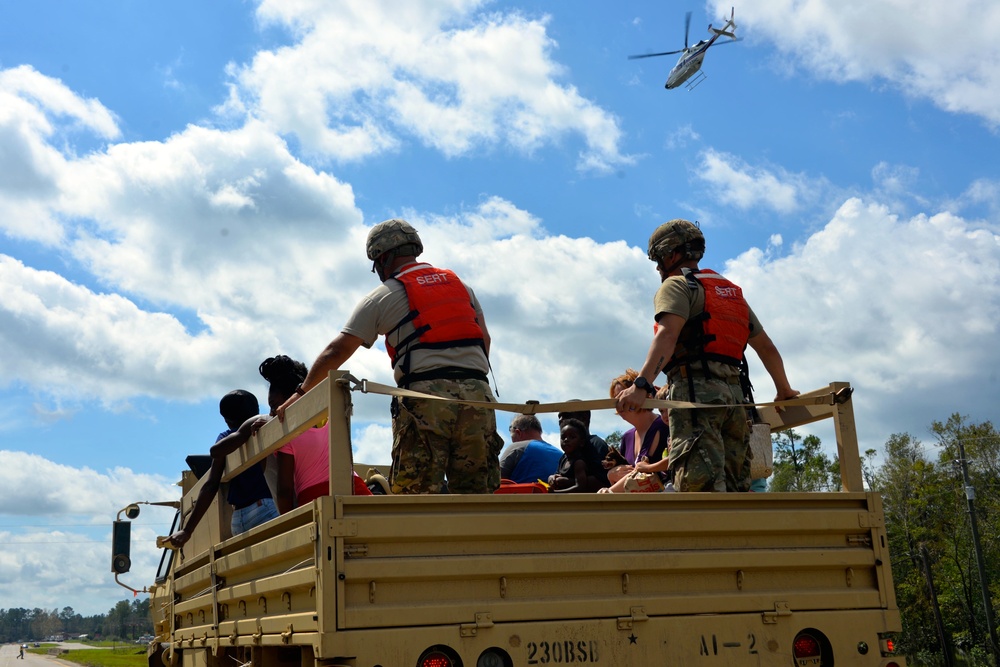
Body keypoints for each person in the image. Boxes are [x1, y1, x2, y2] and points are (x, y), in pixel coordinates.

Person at [276, 219, 503, 494]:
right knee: (477, 494)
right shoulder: (461, 287)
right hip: (478, 395)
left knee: (416, 497)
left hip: (424, 398)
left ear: (383, 258)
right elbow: (484, 339)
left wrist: (299, 395)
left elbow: (337, 351)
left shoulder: (383, 295)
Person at [616, 219, 798, 493]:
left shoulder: (676, 286)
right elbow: (766, 347)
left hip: (695, 399)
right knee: (735, 483)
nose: (657, 267)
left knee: (696, 485)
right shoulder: (731, 294)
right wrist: (784, 389)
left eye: (658, 259)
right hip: (736, 399)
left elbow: (667, 336)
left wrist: (641, 385)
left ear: (671, 254)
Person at [260, 355, 372, 511]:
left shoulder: (286, 434)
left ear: (290, 400)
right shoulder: (329, 414)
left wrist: (289, 528)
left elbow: (285, 491)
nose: (272, 413)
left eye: (274, 405)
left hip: (314, 501)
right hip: (358, 491)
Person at [167, 390, 277, 548]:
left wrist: (187, 530)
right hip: (262, 507)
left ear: (226, 419)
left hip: (238, 518)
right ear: (256, 410)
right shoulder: (265, 425)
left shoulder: (225, 438)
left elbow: (211, 484)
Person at [600, 370, 670, 493]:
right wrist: (611, 475)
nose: (619, 404)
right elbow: (625, 484)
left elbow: (645, 473)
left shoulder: (663, 425)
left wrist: (609, 493)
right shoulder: (627, 437)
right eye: (615, 400)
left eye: (623, 396)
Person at [548, 418, 609, 493]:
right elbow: (557, 475)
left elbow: (580, 487)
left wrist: (555, 493)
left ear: (582, 442)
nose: (566, 440)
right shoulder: (563, 459)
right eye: (563, 437)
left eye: (572, 437)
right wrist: (551, 478)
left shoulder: (579, 463)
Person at [500, 414, 562, 484]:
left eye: (513, 439)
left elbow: (496, 479)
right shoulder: (561, 455)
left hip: (522, 493)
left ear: (518, 433)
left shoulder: (516, 447)